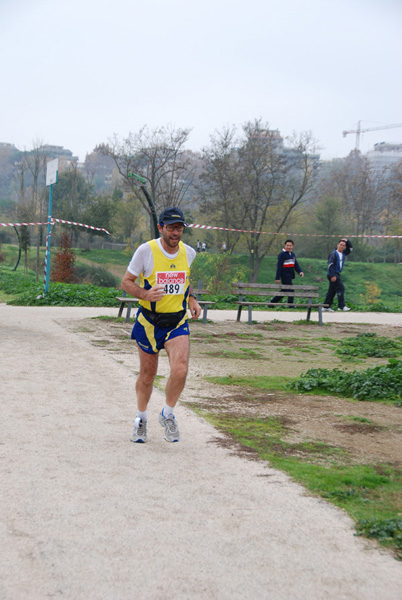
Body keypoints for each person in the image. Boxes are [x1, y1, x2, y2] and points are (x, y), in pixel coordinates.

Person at [121, 207, 201, 444]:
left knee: (181, 369)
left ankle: (167, 414)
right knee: (148, 375)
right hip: (149, 322)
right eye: (171, 228)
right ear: (161, 228)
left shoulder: (189, 253)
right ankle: (141, 418)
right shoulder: (146, 251)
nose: (176, 233)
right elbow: (126, 282)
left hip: (177, 321)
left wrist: (192, 299)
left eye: (180, 228)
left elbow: (184, 280)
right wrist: (145, 294)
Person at [270, 239, 304, 306]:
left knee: (284, 291)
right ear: (285, 246)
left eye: (290, 245)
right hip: (284, 275)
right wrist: (277, 278)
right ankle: (291, 305)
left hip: (290, 275)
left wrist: (300, 271)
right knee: (291, 290)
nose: (289, 247)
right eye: (287, 245)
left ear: (293, 246)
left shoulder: (292, 254)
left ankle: (272, 302)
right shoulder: (282, 254)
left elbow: (295, 264)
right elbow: (279, 267)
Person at [323, 238, 353, 312]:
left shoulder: (343, 253)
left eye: (343, 245)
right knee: (341, 288)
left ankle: (326, 306)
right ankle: (341, 306)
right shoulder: (333, 254)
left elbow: (351, 248)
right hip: (332, 274)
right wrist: (333, 275)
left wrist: (347, 241)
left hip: (337, 274)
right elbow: (330, 265)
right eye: (341, 245)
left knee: (332, 291)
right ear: (337, 245)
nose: (342, 246)